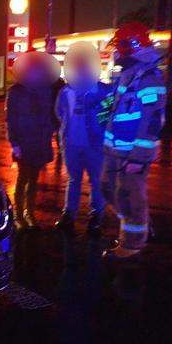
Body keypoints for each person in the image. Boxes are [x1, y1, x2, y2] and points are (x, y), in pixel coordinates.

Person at [101, 22, 166, 260]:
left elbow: (152, 121)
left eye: (120, 46)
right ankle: (139, 223)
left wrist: (138, 158)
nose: (116, 51)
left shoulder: (149, 77)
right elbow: (118, 109)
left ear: (131, 47)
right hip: (114, 149)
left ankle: (133, 244)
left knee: (130, 196)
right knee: (108, 190)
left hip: (132, 153)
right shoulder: (128, 73)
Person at [54, 41, 111, 234]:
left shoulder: (103, 91)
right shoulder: (65, 92)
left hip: (95, 145)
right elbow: (60, 114)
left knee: (96, 180)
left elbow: (110, 116)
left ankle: (96, 216)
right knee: (73, 180)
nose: (80, 68)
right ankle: (68, 215)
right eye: (77, 65)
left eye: (84, 65)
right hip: (72, 145)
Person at [6, 51, 61, 229]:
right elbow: (11, 119)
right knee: (23, 179)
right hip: (23, 141)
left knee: (34, 180)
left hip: (40, 140)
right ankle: (18, 215)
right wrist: (14, 143)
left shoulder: (46, 90)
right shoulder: (16, 91)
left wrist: (51, 130)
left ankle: (30, 213)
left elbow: (52, 113)